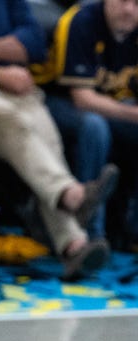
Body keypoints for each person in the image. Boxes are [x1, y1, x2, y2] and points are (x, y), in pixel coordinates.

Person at [0, 0, 119, 279]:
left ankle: (73, 245)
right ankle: (72, 199)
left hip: (20, 89)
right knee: (16, 124)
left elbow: (33, 44)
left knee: (47, 138)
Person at [41, 0, 138, 251]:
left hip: (107, 102)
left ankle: (131, 229)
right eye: (122, 1)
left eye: (136, 3)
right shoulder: (81, 21)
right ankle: (90, 233)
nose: (128, 10)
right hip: (51, 98)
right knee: (95, 127)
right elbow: (83, 99)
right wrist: (132, 113)